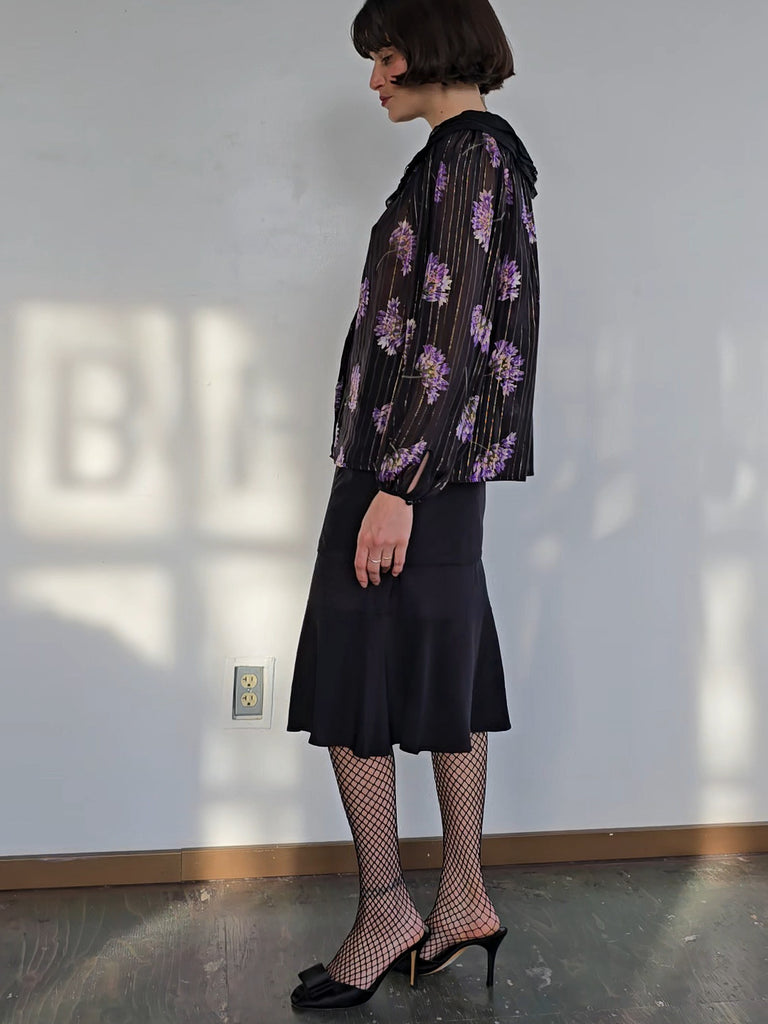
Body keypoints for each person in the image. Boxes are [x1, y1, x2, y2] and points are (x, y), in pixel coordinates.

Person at [286, 0, 540, 1010]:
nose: (374, 77)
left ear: (428, 48)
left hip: (407, 468)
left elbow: (453, 326)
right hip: (431, 468)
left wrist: (395, 485)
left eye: (385, 54)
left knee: (359, 670)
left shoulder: (468, 156)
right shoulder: (471, 155)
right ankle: (461, 898)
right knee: (441, 669)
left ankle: (390, 908)